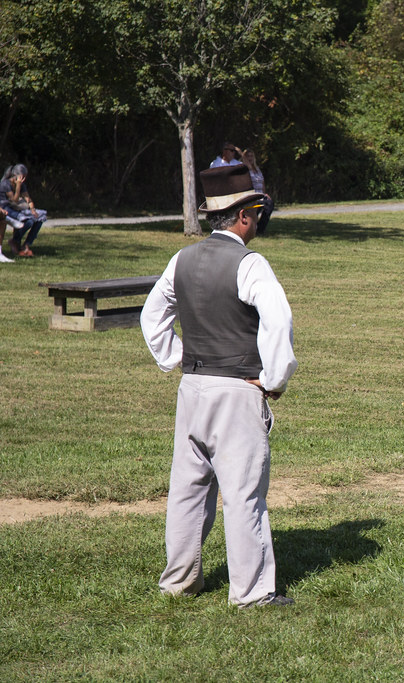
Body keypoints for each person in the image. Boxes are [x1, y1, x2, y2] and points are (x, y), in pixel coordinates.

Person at [141, 164, 298, 608]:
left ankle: (179, 581)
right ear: (244, 216)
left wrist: (177, 361)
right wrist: (273, 380)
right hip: (236, 390)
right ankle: (250, 593)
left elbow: (152, 318)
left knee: (187, 490)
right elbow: (278, 322)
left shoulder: (181, 259)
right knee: (244, 493)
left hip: (192, 389)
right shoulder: (251, 263)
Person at [1, 164, 47, 258]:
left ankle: (27, 244)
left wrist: (33, 209)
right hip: (4, 208)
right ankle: (15, 241)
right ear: (16, 176)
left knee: (38, 220)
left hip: (15, 208)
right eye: (22, 177)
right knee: (28, 222)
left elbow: (28, 199)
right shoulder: (5, 184)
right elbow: (15, 199)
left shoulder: (22, 185)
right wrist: (18, 186)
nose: (23, 180)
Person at [241, 149, 274, 235]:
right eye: (248, 156)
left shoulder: (257, 169)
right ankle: (253, 228)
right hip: (252, 195)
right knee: (256, 207)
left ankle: (260, 228)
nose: (250, 158)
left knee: (269, 204)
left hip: (260, 194)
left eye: (251, 156)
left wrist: (264, 194)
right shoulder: (245, 169)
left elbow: (262, 182)